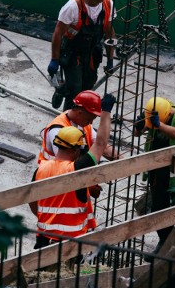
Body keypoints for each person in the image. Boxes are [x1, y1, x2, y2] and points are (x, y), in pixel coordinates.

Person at [33, 93, 116, 249]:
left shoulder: (41, 169)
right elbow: (99, 144)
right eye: (90, 117)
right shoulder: (74, 165)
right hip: (69, 241)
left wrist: (120, 158)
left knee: (40, 265)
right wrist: (106, 113)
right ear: (76, 149)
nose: (92, 121)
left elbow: (32, 200)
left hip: (45, 234)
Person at [47, 0, 117, 110]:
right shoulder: (73, 7)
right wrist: (54, 59)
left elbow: (110, 33)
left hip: (92, 53)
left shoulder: (107, 5)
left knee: (87, 87)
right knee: (75, 90)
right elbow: (58, 33)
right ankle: (67, 121)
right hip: (73, 52)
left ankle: (63, 90)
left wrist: (110, 59)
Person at [133, 96, 175, 258]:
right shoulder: (152, 113)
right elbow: (137, 133)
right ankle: (165, 242)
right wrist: (139, 126)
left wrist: (158, 124)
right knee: (159, 209)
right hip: (157, 171)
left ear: (167, 114)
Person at [38, 90, 118, 164]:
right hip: (52, 174)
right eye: (89, 119)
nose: (91, 122)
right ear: (80, 113)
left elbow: (102, 146)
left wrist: (122, 161)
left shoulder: (83, 123)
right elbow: (67, 164)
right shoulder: (58, 130)